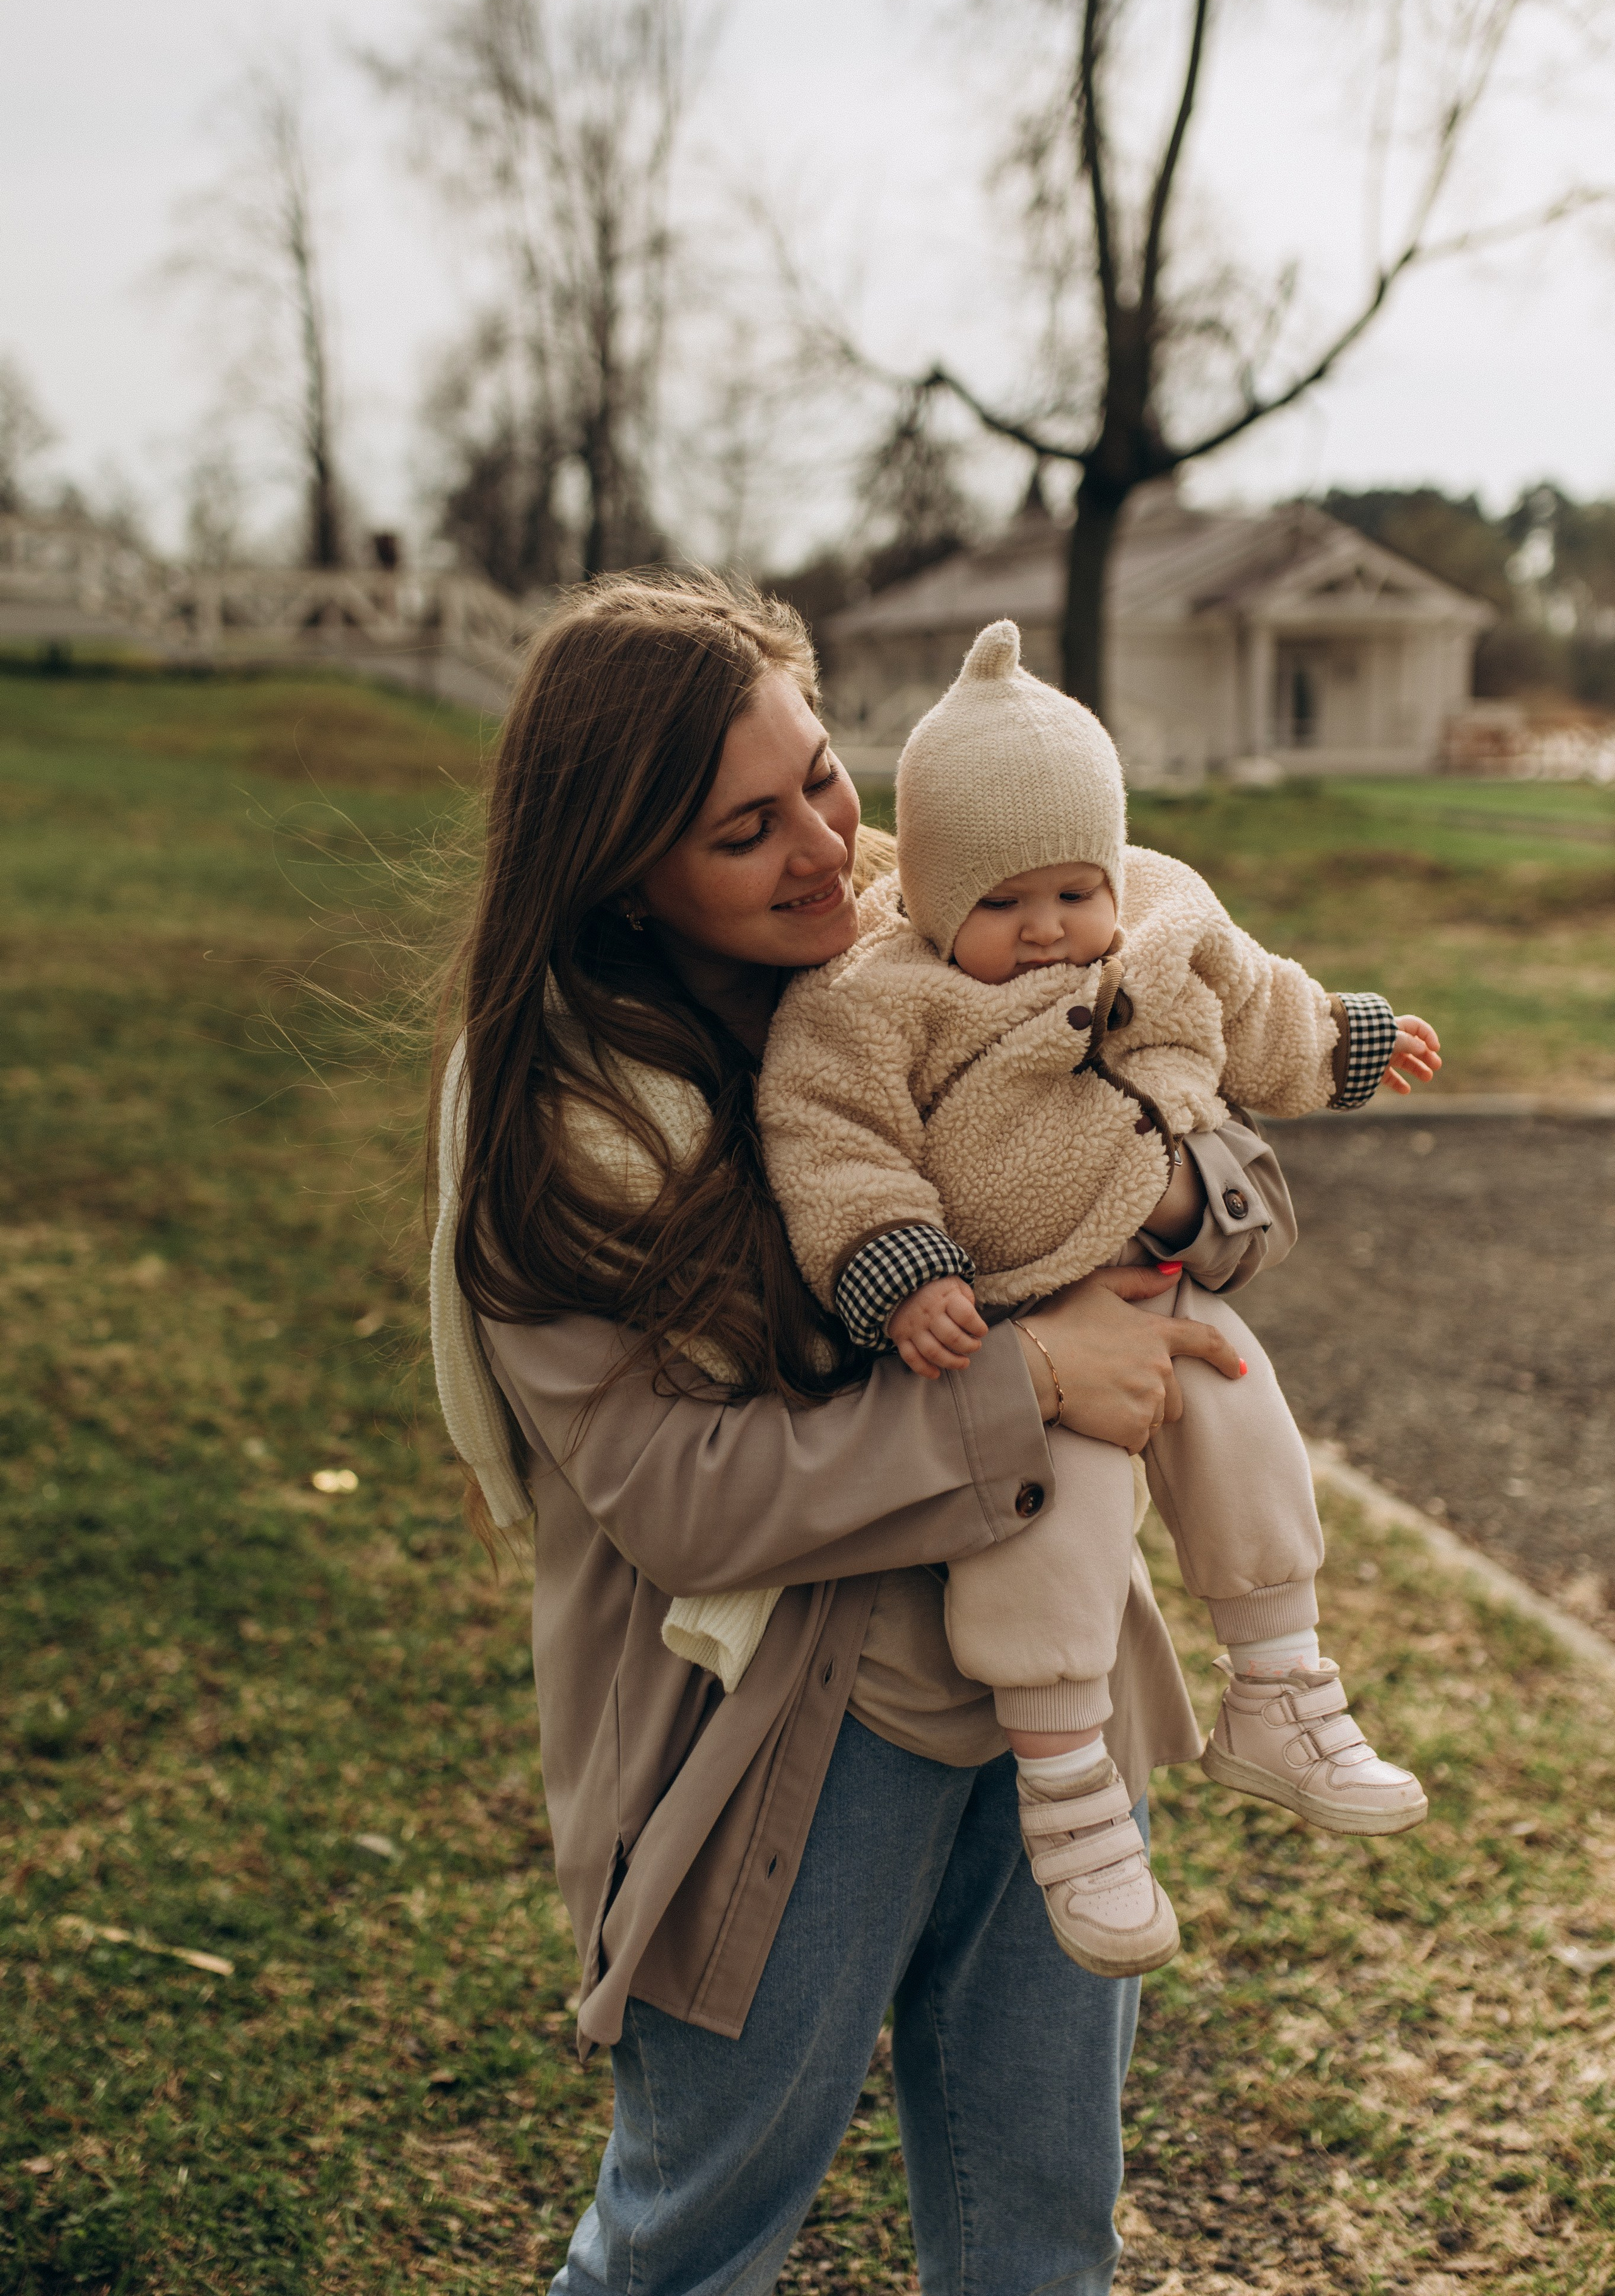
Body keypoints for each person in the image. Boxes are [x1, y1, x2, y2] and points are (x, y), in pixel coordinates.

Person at [429, 570, 1259, 2295]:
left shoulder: (965, 938)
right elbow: (683, 1500)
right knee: (692, 2234)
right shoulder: (571, 1129)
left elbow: (1222, 1156)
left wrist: (1179, 1189)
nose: (825, 841)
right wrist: (1026, 1380)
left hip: (1041, 1687)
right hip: (771, 1746)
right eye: (748, 829)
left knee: (1044, 2229)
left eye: (821, 772)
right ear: (623, 875)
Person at [673, 617, 1435, 1982]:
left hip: (1163, 1292)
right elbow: (830, 1143)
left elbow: (1258, 1002)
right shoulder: (869, 999)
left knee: (1252, 1440)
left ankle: (1278, 1685)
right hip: (1016, 1324)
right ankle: (1069, 1796)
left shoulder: (1161, 911)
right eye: (1003, 904)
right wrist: (898, 1268)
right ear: (932, 899)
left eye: (1073, 892)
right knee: (1053, 1531)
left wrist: (1345, 1039)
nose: (1047, 932)